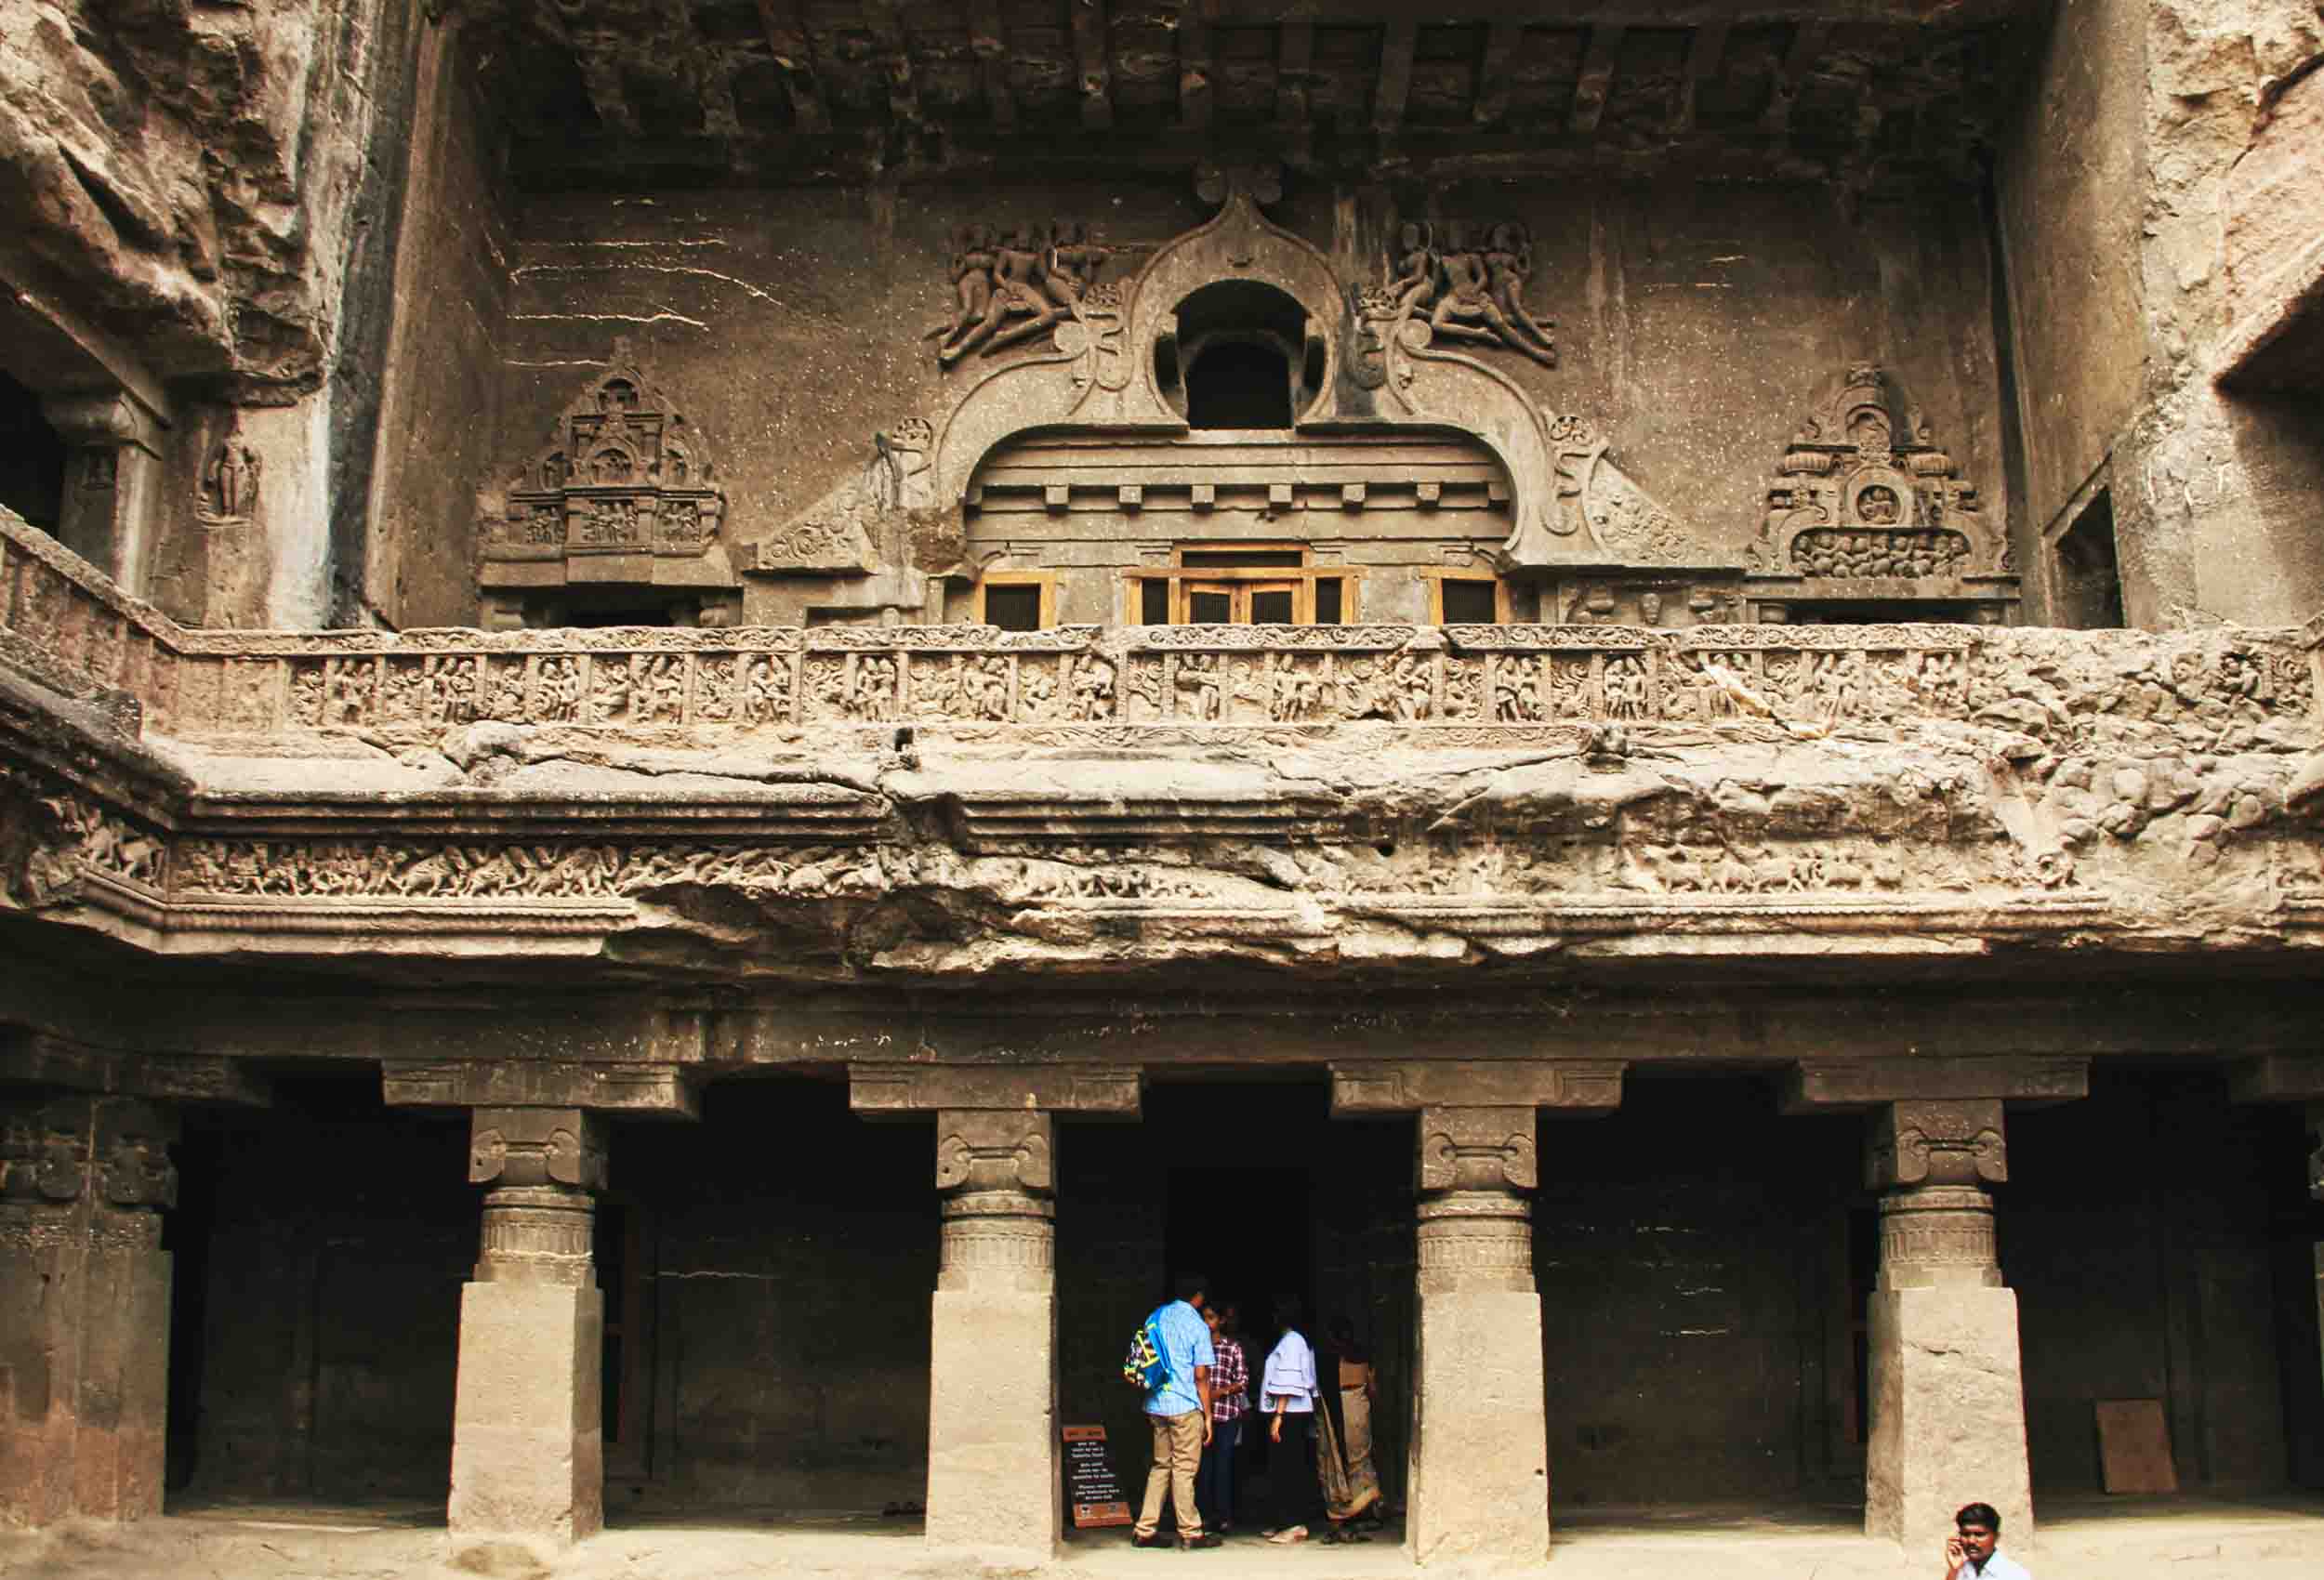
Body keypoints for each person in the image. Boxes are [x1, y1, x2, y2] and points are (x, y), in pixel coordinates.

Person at [1132, 1273, 1221, 1551]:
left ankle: (1144, 1529)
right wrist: (1207, 1415)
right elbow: (1201, 1376)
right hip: (1184, 1405)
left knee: (1161, 1465)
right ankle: (1191, 1532)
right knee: (1184, 1469)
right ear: (1199, 1297)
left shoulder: (1155, 1316)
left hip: (1157, 1403)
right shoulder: (1197, 1325)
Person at [1257, 1296, 1327, 1545]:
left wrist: (1278, 1416)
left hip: (1289, 1412)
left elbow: (1288, 1382)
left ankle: (1293, 1524)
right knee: (1285, 1465)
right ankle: (1283, 1521)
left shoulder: (1292, 1341)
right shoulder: (1295, 1341)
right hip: (1293, 1412)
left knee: (1287, 1467)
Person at [1314, 1317, 1382, 1541]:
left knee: (1338, 1460)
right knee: (1361, 1458)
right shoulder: (1364, 1357)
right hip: (1360, 1408)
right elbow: (1373, 1390)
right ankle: (1368, 1509)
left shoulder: (1331, 1358)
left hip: (1341, 1410)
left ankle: (1342, 1513)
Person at [1195, 1303, 1249, 1534]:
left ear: (1221, 1322)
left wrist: (1220, 1392)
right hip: (1201, 1415)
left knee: (1223, 1466)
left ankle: (1224, 1516)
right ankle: (1204, 1515)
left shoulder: (1232, 1348)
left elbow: (1243, 1380)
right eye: (1203, 1318)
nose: (1207, 1323)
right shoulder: (1196, 1347)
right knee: (1203, 1468)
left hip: (1226, 1416)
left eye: (1211, 1318)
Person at [1944, 1502, 2029, 1580]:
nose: (1971, 1541)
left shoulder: (2014, 1575)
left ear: (1996, 1537)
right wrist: (1953, 1570)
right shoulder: (1959, 1571)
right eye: (1965, 1534)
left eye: (1979, 1535)